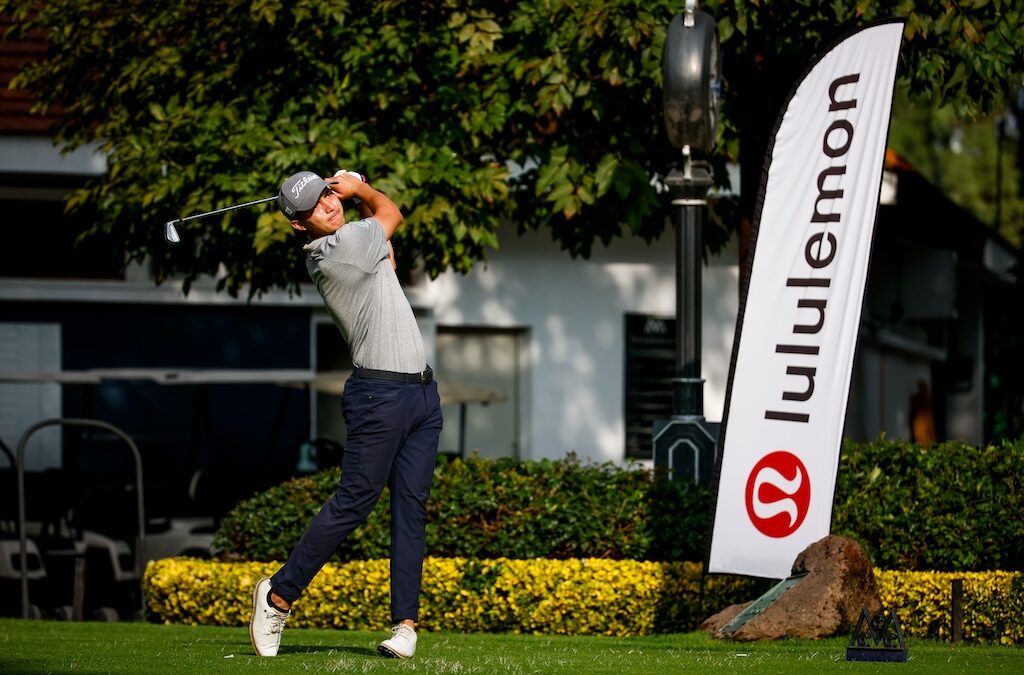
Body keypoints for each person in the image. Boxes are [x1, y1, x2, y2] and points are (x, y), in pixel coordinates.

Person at [249, 169, 443, 659]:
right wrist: (359, 188)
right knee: (355, 501)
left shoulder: (357, 242)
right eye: (315, 206)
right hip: (379, 394)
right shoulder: (336, 252)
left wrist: (352, 196)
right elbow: (391, 213)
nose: (327, 207)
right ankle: (277, 596)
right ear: (299, 225)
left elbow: (390, 256)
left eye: (327, 195)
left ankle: (404, 626)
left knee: (410, 510)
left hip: (421, 393)